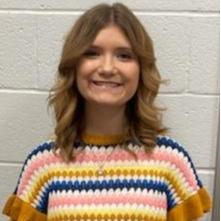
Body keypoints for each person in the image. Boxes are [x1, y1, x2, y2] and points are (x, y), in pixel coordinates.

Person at [2, 3, 212, 221]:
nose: (107, 68)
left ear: (142, 69)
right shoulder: (42, 163)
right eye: (92, 53)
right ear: (73, 65)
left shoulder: (171, 160)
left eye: (124, 55)